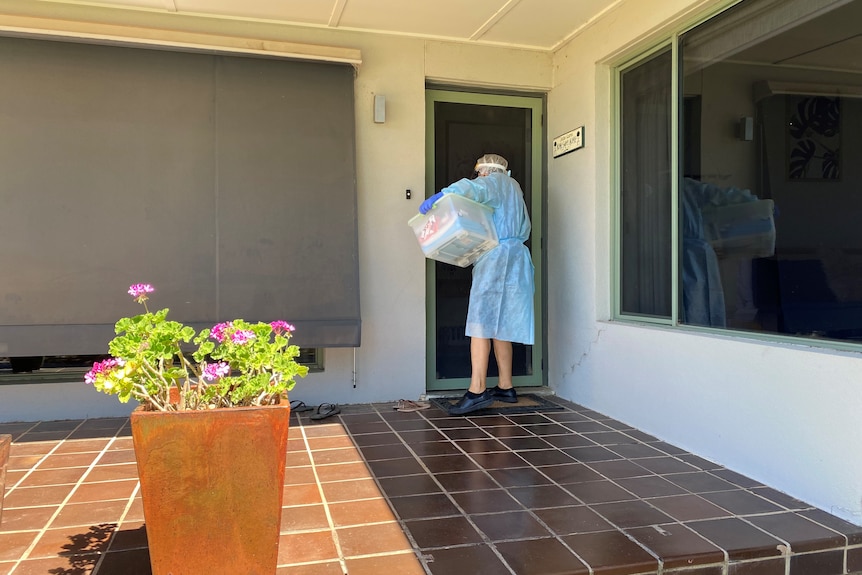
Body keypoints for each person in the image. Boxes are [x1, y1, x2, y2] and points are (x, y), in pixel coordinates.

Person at [419, 154, 534, 415]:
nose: (478, 176)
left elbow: (470, 189)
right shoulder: (513, 186)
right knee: (501, 324)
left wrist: (442, 196)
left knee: (481, 323)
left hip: (496, 259)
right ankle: (506, 386)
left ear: (486, 170)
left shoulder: (493, 182)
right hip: (516, 259)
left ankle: (477, 390)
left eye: (479, 172)